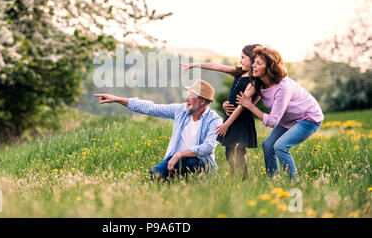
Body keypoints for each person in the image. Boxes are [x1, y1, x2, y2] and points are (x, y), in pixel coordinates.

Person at [94, 79, 223, 179]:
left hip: (200, 164)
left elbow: (208, 147)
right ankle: (176, 179)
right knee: (155, 174)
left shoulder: (214, 120)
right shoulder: (181, 111)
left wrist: (179, 155)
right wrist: (117, 99)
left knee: (190, 160)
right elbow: (151, 108)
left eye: (191, 96)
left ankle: (194, 182)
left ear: (202, 101)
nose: (186, 99)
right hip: (175, 160)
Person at [236, 46, 324, 181]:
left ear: (269, 67)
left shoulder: (283, 87)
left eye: (258, 63)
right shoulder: (260, 82)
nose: (253, 65)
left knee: (280, 146)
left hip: (309, 118)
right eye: (254, 61)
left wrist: (250, 106)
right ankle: (273, 181)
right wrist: (228, 105)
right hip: (288, 119)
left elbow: (271, 121)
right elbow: (247, 98)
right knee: (267, 145)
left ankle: (293, 183)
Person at [180, 44, 259, 179]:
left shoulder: (254, 80)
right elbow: (217, 66)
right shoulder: (239, 72)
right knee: (229, 151)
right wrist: (194, 65)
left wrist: (226, 124)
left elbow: (242, 105)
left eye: (243, 58)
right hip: (230, 116)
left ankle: (243, 179)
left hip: (241, 119)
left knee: (239, 151)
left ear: (253, 59)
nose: (240, 61)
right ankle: (236, 177)